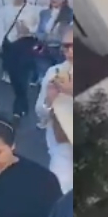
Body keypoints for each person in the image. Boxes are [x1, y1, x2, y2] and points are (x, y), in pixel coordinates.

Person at [36, 29, 74, 194]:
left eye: (73, 46)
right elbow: (40, 113)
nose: (69, 52)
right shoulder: (54, 72)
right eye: (65, 47)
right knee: (59, 191)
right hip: (62, 144)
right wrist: (48, 101)